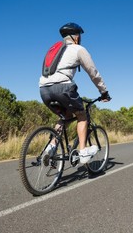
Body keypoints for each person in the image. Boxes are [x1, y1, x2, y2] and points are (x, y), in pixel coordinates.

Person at [39, 22, 111, 164]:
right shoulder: (79, 49)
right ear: (76, 37)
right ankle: (83, 152)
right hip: (63, 87)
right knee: (82, 115)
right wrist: (103, 91)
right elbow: (93, 73)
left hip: (43, 89)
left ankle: (51, 147)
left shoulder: (54, 50)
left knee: (64, 116)